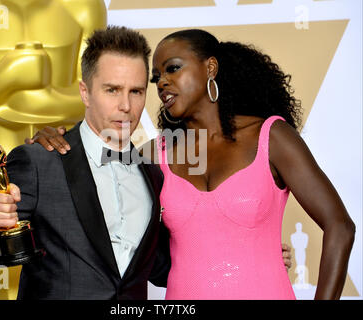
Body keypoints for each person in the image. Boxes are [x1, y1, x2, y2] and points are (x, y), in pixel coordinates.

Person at [32, 29, 355, 300]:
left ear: (210, 67)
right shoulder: (154, 154)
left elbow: (340, 227)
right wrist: (51, 140)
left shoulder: (272, 136)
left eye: (173, 69)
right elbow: (90, 172)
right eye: (157, 77)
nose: (162, 83)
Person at [0, 26, 170, 299]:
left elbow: (160, 269)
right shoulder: (40, 161)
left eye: (135, 91)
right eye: (112, 90)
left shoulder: (154, 176)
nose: (126, 105)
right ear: (85, 93)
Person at [0, 0, 106, 299]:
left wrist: (12, 99)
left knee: (76, 267)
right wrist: (11, 73)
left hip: (67, 152)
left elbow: (96, 97)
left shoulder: (84, 6)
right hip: (2, 150)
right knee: (7, 272)